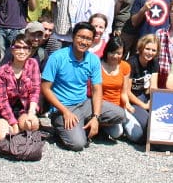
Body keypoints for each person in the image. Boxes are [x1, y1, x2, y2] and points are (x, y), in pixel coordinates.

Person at [40, 21, 126, 151]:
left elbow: (97, 89)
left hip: (84, 104)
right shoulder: (57, 57)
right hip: (63, 107)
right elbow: (45, 88)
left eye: (88, 39)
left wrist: (96, 117)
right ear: (73, 37)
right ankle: (62, 129)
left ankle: (86, 125)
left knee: (120, 114)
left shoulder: (93, 59)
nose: (84, 42)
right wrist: (65, 112)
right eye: (81, 37)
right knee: (78, 144)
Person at [0, 35, 41, 143]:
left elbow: (35, 91)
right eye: (18, 47)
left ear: (30, 51)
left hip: (24, 109)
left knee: (32, 124)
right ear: (12, 50)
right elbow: (1, 101)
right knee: (1, 138)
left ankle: (20, 132)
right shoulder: (3, 71)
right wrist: (13, 123)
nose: (22, 51)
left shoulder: (33, 64)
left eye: (26, 48)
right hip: (5, 112)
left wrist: (31, 112)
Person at [98, 37, 133, 140]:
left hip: (120, 107)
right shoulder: (98, 64)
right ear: (107, 51)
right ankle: (102, 126)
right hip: (103, 106)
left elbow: (124, 92)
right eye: (112, 52)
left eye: (118, 53)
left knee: (137, 134)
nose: (115, 56)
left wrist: (127, 104)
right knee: (117, 133)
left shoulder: (125, 66)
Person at [126, 34, 159, 142]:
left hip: (145, 97)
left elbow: (154, 86)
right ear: (141, 47)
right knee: (147, 126)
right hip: (132, 100)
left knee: (157, 121)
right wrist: (144, 106)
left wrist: (151, 101)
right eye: (147, 49)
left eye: (153, 50)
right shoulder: (131, 63)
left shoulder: (154, 62)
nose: (150, 53)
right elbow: (127, 92)